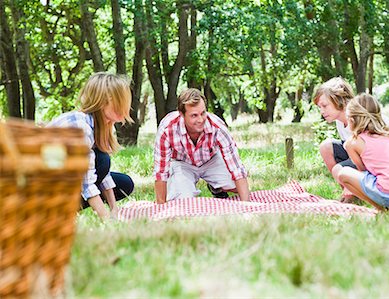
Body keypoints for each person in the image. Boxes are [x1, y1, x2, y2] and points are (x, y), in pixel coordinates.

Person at [48, 72, 134, 219]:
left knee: (123, 183)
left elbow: (103, 174)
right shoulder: (80, 127)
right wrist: (108, 220)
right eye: (121, 100)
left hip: (68, 180)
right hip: (45, 184)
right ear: (104, 101)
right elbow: (86, 183)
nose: (126, 106)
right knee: (102, 160)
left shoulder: (103, 125)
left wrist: (114, 210)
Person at [313, 77, 389, 202]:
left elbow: (375, 153)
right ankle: (355, 193)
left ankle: (360, 194)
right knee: (326, 147)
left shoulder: (361, 117)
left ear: (339, 100)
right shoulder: (340, 121)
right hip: (368, 157)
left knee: (340, 170)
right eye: (319, 107)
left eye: (324, 106)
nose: (321, 111)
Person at [153, 88, 250, 204]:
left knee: (236, 185)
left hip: (211, 160)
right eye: (194, 115)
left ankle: (217, 188)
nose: (200, 120)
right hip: (182, 164)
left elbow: (236, 168)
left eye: (203, 113)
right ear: (181, 115)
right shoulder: (167, 129)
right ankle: (184, 189)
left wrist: (246, 205)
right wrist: (161, 207)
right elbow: (161, 172)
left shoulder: (217, 127)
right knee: (182, 200)